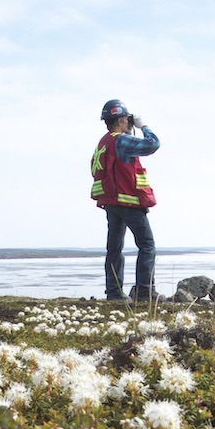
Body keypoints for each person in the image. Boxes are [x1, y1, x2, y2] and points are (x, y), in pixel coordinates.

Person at [90, 99, 159, 301]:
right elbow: (153, 144)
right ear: (121, 120)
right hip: (128, 202)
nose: (129, 124)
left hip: (111, 202)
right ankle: (144, 292)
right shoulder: (120, 140)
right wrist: (143, 126)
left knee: (114, 249)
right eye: (127, 120)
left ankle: (114, 292)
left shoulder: (103, 143)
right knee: (147, 245)